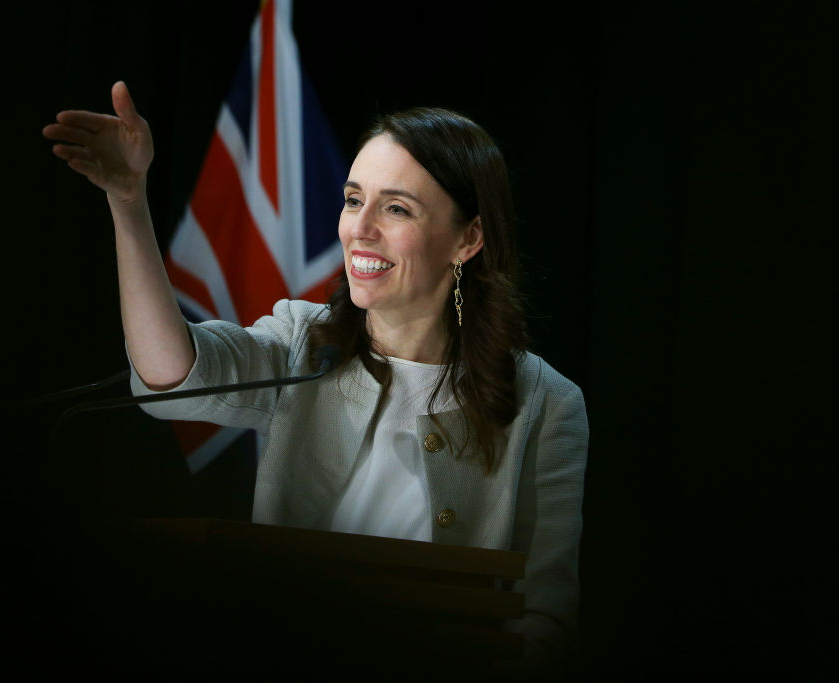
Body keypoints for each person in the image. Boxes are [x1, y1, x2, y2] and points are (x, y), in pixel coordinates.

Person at [43, 82, 588, 667]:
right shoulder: (304, 342)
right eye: (354, 200)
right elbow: (174, 380)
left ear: (468, 239)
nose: (360, 228)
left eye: (397, 207)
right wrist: (128, 203)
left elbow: (545, 615)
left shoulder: (547, 402)